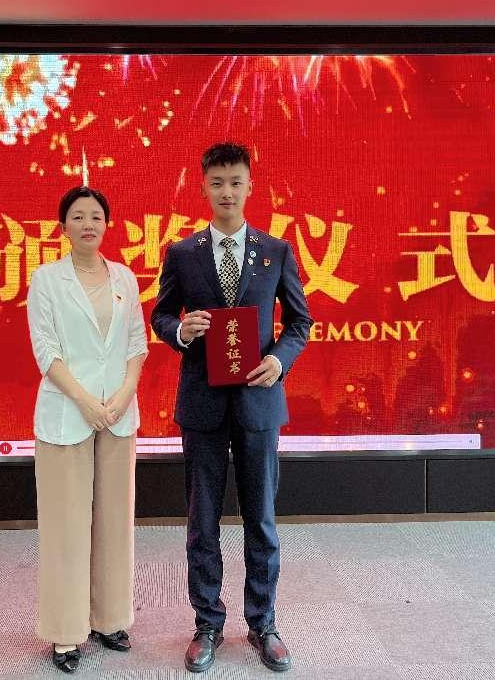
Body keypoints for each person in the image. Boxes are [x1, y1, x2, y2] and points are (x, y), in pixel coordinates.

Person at [152, 143, 312, 672]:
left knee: (260, 519)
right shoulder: (183, 253)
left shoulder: (276, 251)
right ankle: (207, 622)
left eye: (235, 182)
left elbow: (300, 322)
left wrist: (279, 360)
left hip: (258, 403)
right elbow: (160, 315)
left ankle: (263, 623)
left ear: (249, 187)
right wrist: (181, 330)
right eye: (217, 182)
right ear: (203, 187)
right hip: (202, 404)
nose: (227, 191)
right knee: (202, 521)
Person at [27, 185, 147, 674]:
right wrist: (84, 402)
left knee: (115, 521)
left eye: (96, 216)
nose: (88, 224)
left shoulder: (124, 278)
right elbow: (46, 350)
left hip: (118, 415)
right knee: (66, 527)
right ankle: (65, 632)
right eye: (78, 216)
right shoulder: (46, 279)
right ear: (63, 227)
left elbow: (137, 344)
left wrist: (121, 397)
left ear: (107, 224)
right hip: (66, 415)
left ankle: (109, 619)